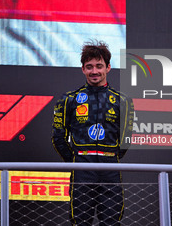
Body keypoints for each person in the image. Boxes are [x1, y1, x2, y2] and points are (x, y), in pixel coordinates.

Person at [51, 40, 134, 225]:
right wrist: (77, 160)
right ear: (82, 69)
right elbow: (58, 137)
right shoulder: (69, 100)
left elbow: (126, 138)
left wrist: (111, 157)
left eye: (99, 66)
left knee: (112, 222)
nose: (94, 71)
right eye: (89, 67)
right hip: (82, 168)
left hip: (110, 169)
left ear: (108, 67)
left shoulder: (123, 101)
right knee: (80, 221)